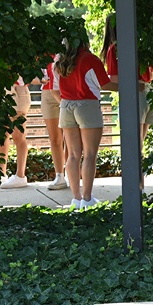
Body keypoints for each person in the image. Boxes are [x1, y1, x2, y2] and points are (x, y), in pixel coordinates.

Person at [55, 36, 116, 209]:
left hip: (65, 106)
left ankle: (76, 198)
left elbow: (57, 87)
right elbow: (105, 84)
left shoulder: (60, 61)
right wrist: (131, 85)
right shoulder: (90, 59)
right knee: (89, 155)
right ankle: (87, 199)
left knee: (73, 155)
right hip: (87, 105)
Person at [101, 13, 153, 188]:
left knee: (134, 141)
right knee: (141, 140)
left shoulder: (114, 49)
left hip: (134, 93)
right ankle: (140, 181)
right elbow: (151, 75)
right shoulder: (140, 45)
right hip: (149, 91)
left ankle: (136, 182)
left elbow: (115, 80)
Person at [38, 57, 69, 191]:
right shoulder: (40, 51)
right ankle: (59, 176)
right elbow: (34, 76)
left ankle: (71, 173)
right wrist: (40, 79)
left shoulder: (66, 48)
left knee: (69, 137)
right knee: (55, 138)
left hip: (67, 89)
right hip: (48, 91)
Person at [0, 77, 30, 189]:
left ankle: (20, 176)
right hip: (7, 86)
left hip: (18, 88)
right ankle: (1, 175)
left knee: (18, 136)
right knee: (3, 134)